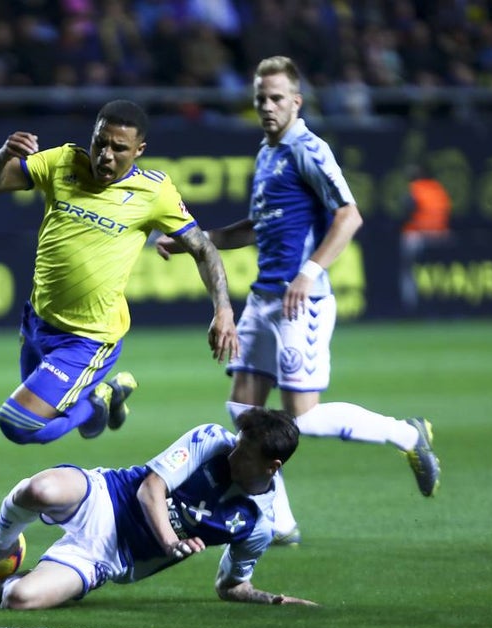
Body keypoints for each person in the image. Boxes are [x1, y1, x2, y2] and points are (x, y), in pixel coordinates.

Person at [157, 56, 441, 545]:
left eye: (276, 98)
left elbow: (349, 217)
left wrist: (309, 274)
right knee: (243, 413)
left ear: (296, 101)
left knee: (302, 418)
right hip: (264, 300)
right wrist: (193, 240)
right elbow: (254, 227)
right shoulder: (267, 152)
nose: (267, 107)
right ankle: (281, 522)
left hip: (298, 305)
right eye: (260, 99)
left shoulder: (309, 148)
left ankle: (408, 435)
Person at [0, 99, 239, 445]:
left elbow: (203, 249)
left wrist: (223, 309)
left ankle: (100, 400)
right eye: (101, 142)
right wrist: (2, 155)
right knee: (73, 424)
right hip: (39, 320)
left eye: (119, 148)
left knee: (19, 424)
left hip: (87, 339)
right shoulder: (63, 161)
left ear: (139, 150)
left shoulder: (153, 193)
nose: (106, 155)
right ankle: (103, 403)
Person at [0, 407, 317, 609]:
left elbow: (231, 586)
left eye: (246, 454)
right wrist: (171, 541)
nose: (234, 454)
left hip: (110, 556)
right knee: (40, 489)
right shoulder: (211, 439)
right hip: (108, 495)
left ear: (273, 466)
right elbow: (150, 490)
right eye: (238, 445)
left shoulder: (257, 524)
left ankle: (3, 586)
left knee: (20, 599)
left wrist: (274, 600)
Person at [399, 161, 452, 310]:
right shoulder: (438, 188)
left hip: (418, 236)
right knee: (438, 270)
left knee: (407, 270)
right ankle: (442, 300)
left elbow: (406, 211)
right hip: (439, 237)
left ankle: (409, 304)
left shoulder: (415, 189)